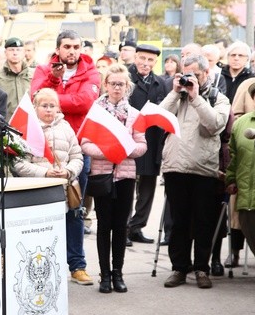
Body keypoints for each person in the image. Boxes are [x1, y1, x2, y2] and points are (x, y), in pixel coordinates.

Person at [31, 29, 101, 284]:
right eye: (67, 46)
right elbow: (35, 98)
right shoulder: (43, 70)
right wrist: (52, 79)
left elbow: (85, 102)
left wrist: (52, 98)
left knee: (74, 208)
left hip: (75, 150)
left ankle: (77, 265)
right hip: (42, 151)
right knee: (40, 211)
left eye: (76, 46)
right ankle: (42, 263)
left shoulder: (91, 72)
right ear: (58, 49)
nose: (72, 51)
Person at [160, 54, 229, 289]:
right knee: (178, 221)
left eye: (195, 75)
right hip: (176, 166)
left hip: (203, 169)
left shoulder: (218, 98)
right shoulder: (176, 96)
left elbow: (214, 125)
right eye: (186, 74)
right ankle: (179, 268)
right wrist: (174, 91)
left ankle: (201, 268)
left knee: (203, 221)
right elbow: (159, 119)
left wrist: (196, 97)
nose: (190, 79)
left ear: (206, 74)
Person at [81, 64, 147, 293]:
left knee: (121, 226)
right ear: (105, 85)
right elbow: (85, 143)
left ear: (127, 86)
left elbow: (142, 145)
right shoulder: (96, 112)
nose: (117, 88)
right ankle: (104, 275)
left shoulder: (134, 114)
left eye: (121, 84)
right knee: (104, 226)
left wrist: (125, 148)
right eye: (112, 84)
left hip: (126, 175)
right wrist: (108, 151)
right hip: (102, 174)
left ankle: (118, 273)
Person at [12, 88, 86, 283]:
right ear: (35, 107)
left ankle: (73, 268)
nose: (48, 109)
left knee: (64, 232)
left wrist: (68, 171)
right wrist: (44, 173)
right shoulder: (26, 129)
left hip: (62, 192)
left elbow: (77, 157)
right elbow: (17, 163)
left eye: (52, 106)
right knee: (39, 237)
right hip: (36, 194)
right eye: (44, 105)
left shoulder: (66, 128)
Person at [126, 44, 169, 245]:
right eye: (142, 58)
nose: (145, 63)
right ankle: (123, 227)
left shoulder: (161, 84)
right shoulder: (125, 79)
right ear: (135, 58)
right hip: (128, 140)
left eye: (150, 60)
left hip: (152, 142)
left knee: (148, 188)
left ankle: (137, 227)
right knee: (125, 184)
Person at [225, 80, 255, 284]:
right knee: (250, 230)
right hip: (247, 189)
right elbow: (233, 155)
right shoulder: (241, 124)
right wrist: (230, 179)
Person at [0, 37, 34, 120]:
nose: (15, 53)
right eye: (11, 50)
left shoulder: (33, 74)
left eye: (18, 50)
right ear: (5, 53)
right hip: (7, 125)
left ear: (23, 53)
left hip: (30, 124)